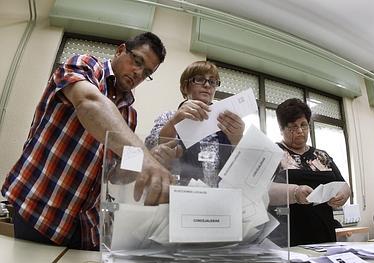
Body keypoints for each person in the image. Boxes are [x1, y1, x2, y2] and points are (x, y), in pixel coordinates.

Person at [1, 32, 171, 250]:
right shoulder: (86, 66)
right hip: (39, 209)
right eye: (137, 61)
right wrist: (147, 159)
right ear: (120, 50)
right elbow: (90, 103)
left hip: (85, 227)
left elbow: (116, 175)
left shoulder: (130, 115)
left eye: (147, 72)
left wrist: (149, 157)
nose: (138, 73)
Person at [144, 61, 245, 186]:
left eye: (212, 81)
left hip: (219, 198)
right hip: (179, 194)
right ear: (185, 87)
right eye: (199, 79)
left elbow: (241, 167)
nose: (207, 85)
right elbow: (150, 148)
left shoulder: (225, 123)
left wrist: (237, 140)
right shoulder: (169, 117)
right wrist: (174, 122)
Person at [270, 98, 351, 246]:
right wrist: (295, 192)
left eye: (304, 125)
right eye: (293, 127)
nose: (300, 131)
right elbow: (262, 191)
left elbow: (343, 185)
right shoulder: (273, 153)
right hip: (288, 238)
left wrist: (343, 194)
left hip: (324, 236)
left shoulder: (322, 156)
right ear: (282, 129)